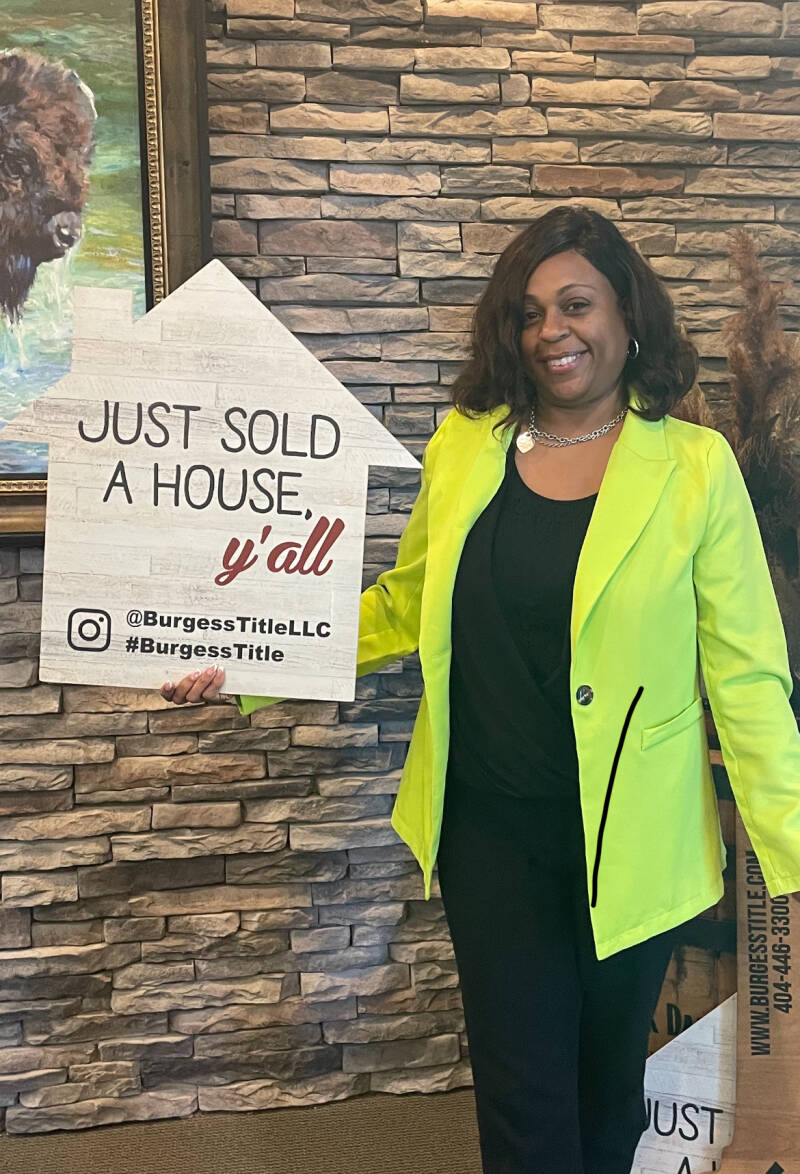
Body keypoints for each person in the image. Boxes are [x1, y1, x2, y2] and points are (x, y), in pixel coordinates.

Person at [161, 206, 800, 1174]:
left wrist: (788, 843)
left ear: (626, 314)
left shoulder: (694, 467)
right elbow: (405, 604)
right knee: (523, 1101)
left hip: (636, 839)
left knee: (604, 1098)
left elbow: (745, 672)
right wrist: (246, 658)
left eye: (575, 304)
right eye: (529, 313)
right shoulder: (466, 446)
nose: (552, 331)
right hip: (490, 833)